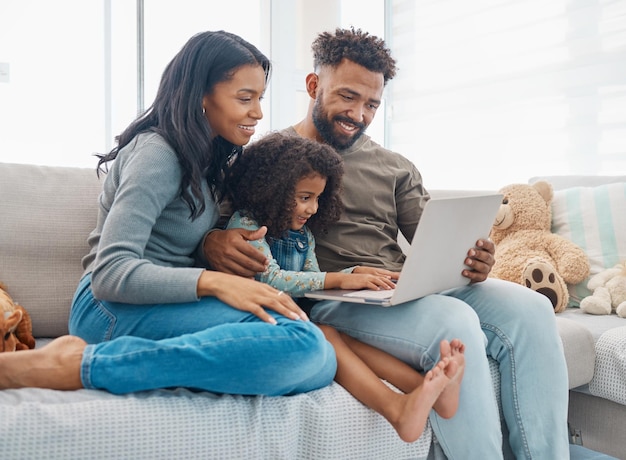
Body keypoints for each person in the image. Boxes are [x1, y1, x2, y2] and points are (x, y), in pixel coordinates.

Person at [204, 28, 570, 459]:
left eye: (371, 104)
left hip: (402, 286)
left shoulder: (394, 166)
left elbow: (434, 237)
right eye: (347, 97)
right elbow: (219, 225)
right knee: (453, 321)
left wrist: (475, 258)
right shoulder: (266, 155)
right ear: (313, 85)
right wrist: (213, 240)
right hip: (336, 296)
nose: (358, 114)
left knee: (531, 307)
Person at [0, 30, 337, 397]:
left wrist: (212, 243)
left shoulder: (208, 159)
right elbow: (109, 273)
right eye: (245, 98)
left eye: (259, 98)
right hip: (110, 309)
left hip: (163, 302)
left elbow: (175, 236)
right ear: (202, 96)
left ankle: (112, 361)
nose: (257, 112)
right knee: (302, 344)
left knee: (316, 353)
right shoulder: (157, 153)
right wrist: (216, 282)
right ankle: (79, 366)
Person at [224, 131, 466, 443]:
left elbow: (310, 279)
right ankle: (396, 408)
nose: (312, 209)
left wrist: (355, 273)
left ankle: (426, 389)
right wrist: (340, 278)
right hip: (254, 315)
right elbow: (271, 279)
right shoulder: (246, 225)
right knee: (329, 335)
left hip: (289, 314)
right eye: (304, 197)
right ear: (273, 189)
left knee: (343, 338)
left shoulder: (303, 235)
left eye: (318, 199)